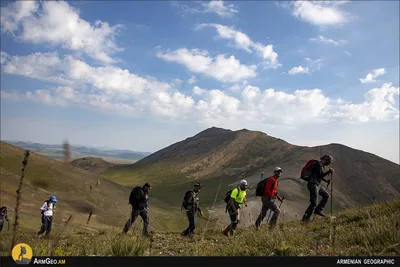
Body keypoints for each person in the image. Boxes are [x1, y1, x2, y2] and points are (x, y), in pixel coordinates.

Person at [301, 155, 334, 222]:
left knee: (326, 195)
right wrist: (328, 172)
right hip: (313, 184)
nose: (329, 164)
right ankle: (305, 219)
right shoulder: (318, 164)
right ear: (326, 160)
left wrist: (325, 180)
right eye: (329, 162)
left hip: (316, 184)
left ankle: (317, 210)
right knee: (314, 203)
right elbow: (319, 175)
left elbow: (318, 176)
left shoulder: (321, 165)